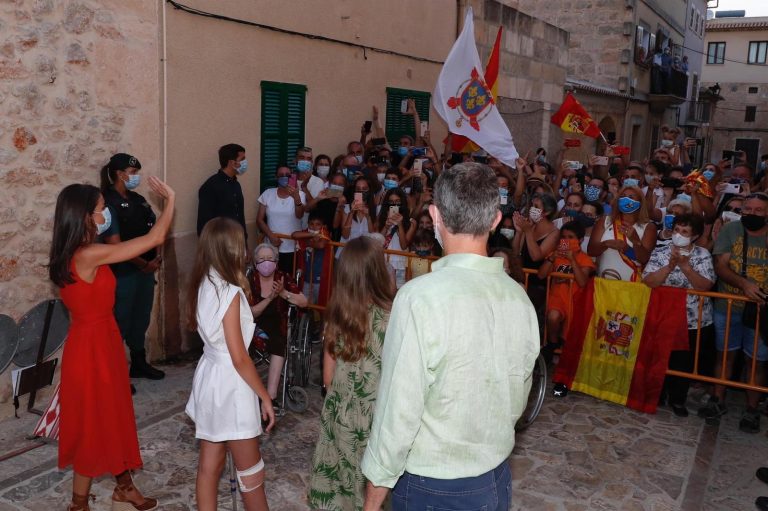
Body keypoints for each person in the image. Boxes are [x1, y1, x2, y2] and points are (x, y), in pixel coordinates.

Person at [361, 162, 540, 511]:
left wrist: (374, 495)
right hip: (494, 477)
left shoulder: (418, 298)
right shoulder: (519, 298)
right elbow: (518, 398)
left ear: (435, 215)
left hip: (432, 483)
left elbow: (399, 410)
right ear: (495, 220)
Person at [48, 176, 174, 511]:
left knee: (107, 417)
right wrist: (171, 200)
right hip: (94, 348)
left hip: (96, 341)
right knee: (97, 421)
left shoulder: (71, 253)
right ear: (85, 216)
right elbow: (155, 238)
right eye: (102, 209)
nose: (107, 215)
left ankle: (121, 488)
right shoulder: (89, 255)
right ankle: (83, 503)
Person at [185, 218, 276, 511]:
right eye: (242, 244)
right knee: (252, 475)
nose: (246, 251)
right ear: (231, 250)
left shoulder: (205, 281)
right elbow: (239, 357)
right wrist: (264, 396)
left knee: (209, 467)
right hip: (231, 385)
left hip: (210, 376)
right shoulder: (230, 292)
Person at [308, 236, 394, 511]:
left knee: (340, 486)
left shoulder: (337, 316)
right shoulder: (392, 318)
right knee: (372, 491)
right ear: (379, 271)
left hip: (340, 413)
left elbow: (327, 378)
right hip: (377, 418)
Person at [699, 193, 768, 433]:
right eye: (748, 209)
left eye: (758, 210)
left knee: (756, 361)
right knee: (724, 354)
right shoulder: (731, 230)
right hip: (728, 304)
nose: (751, 214)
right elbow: (721, 266)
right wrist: (744, 284)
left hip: (761, 309)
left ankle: (752, 409)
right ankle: (717, 399)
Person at [100, 153, 165, 384]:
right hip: (123, 273)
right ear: (120, 174)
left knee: (141, 318)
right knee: (119, 322)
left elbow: (154, 228)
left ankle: (138, 363)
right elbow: (114, 244)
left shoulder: (138, 199)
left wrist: (156, 257)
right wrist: (144, 263)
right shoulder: (107, 202)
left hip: (145, 272)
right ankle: (115, 376)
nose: (136, 176)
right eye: (133, 173)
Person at [642, 214, 715, 417]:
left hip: (692, 320)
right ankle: (658, 394)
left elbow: (705, 285)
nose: (679, 235)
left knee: (683, 361)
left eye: (685, 232)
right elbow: (649, 281)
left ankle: (678, 399)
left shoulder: (702, 255)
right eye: (676, 230)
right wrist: (669, 266)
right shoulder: (660, 251)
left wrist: (685, 267)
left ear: (695, 236)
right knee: (660, 358)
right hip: (663, 316)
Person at [248, 243, 308, 401]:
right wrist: (270, 298)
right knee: (242, 339)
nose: (266, 262)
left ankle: (271, 395)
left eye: (269, 258)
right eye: (261, 259)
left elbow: (303, 302)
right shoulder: (250, 280)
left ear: (276, 261)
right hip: (254, 323)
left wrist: (283, 293)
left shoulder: (284, 278)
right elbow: (251, 312)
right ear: (255, 262)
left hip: (278, 323)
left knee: (279, 342)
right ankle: (247, 391)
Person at [538, 220, 596, 362]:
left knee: (569, 339)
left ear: (580, 240)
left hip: (575, 303)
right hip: (556, 300)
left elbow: (582, 282)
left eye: (571, 237)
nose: (566, 240)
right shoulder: (555, 255)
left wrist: (572, 260)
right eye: (563, 237)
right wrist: (552, 258)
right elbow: (541, 275)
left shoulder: (585, 259)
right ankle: (552, 344)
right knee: (553, 317)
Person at [588, 185, 656, 281]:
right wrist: (606, 244)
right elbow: (591, 251)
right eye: (623, 196)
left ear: (640, 203)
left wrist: (634, 241)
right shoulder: (605, 221)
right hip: (603, 284)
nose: (625, 199)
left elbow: (644, 259)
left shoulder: (648, 227)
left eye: (631, 197)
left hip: (632, 285)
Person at [256, 165, 306, 273]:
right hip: (271, 247)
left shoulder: (300, 194)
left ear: (292, 177)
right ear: (276, 177)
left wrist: (297, 199)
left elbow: (299, 215)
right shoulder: (268, 193)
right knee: (272, 277)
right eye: (281, 175)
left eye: (287, 175)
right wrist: (270, 236)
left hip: (292, 247)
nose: (284, 177)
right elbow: (259, 220)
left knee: (289, 278)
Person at [197, 143, 248, 237]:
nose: (245, 162)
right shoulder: (210, 186)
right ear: (232, 163)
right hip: (221, 243)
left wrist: (244, 240)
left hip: (238, 241)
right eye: (242, 159)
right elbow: (204, 225)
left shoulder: (236, 185)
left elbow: (240, 216)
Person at [377, 188, 416, 288]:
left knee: (398, 292)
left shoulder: (411, 222)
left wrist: (400, 225)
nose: (394, 204)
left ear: (402, 202)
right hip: (384, 262)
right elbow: (377, 241)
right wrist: (386, 226)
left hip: (400, 264)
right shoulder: (381, 218)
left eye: (397, 201)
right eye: (391, 201)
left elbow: (404, 246)